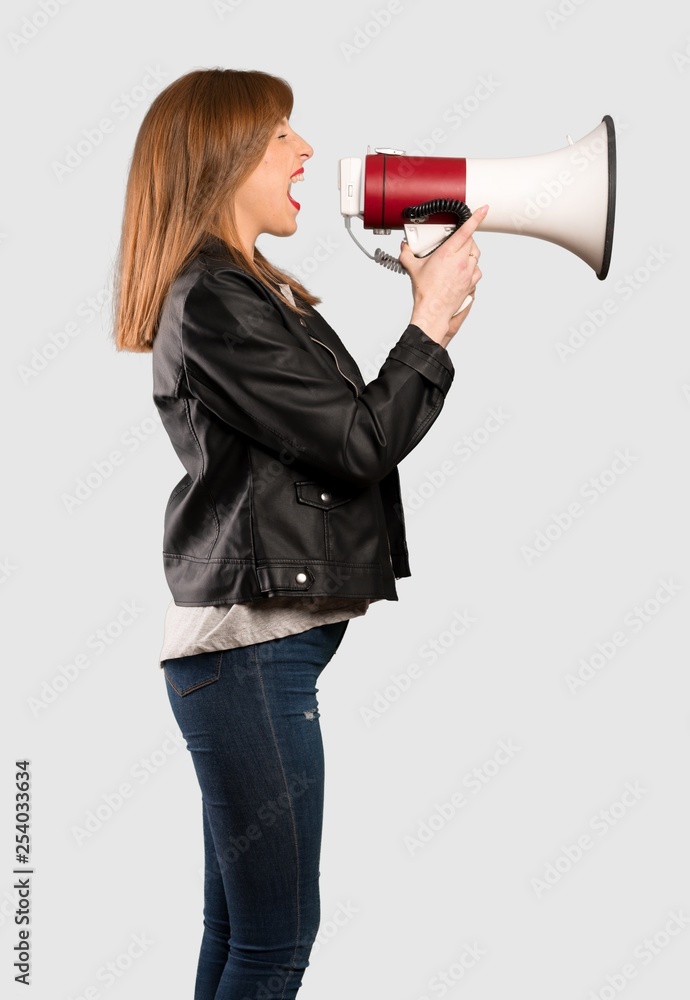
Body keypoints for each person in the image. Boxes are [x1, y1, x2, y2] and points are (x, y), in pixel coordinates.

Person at [112, 67, 486, 1000]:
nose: (307, 148)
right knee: (275, 947)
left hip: (245, 655)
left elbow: (341, 434)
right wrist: (429, 323)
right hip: (246, 654)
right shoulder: (214, 297)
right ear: (224, 156)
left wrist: (428, 322)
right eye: (281, 133)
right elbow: (359, 444)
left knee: (239, 937)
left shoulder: (242, 290)